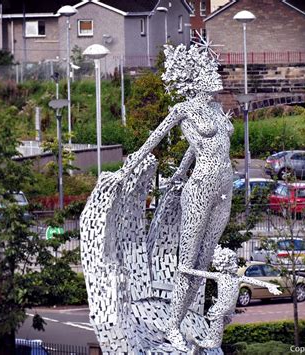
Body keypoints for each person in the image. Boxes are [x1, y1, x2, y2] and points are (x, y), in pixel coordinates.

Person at [115, 44, 235, 351]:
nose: (215, 75)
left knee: (205, 260)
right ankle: (173, 325)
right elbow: (156, 137)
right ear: (196, 79)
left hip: (225, 185)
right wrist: (132, 164)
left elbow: (194, 146)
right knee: (188, 262)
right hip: (202, 187)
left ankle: (193, 321)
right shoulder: (183, 109)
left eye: (214, 70)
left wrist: (180, 171)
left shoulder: (216, 110)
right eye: (208, 72)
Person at [178, 246, 282, 348]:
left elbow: (254, 281)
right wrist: (186, 270)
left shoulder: (238, 278)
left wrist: (269, 285)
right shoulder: (220, 277)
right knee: (215, 343)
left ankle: (198, 347)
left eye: (235, 261)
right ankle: (197, 343)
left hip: (228, 314)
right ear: (225, 264)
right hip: (219, 313)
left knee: (213, 336)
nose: (236, 264)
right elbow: (201, 273)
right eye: (233, 262)